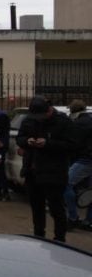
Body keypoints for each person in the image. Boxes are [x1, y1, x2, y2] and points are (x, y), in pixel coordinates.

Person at [16, 95, 78, 242]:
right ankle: (38, 237)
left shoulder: (63, 122)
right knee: (37, 208)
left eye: (41, 115)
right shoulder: (30, 120)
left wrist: (48, 143)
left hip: (54, 172)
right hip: (32, 171)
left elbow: (72, 146)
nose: (38, 119)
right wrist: (27, 141)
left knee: (56, 208)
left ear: (49, 110)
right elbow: (20, 137)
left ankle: (59, 239)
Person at [65, 99, 92, 231]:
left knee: (66, 184)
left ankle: (73, 217)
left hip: (86, 159)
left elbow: (74, 144)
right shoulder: (89, 120)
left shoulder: (80, 124)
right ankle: (89, 221)